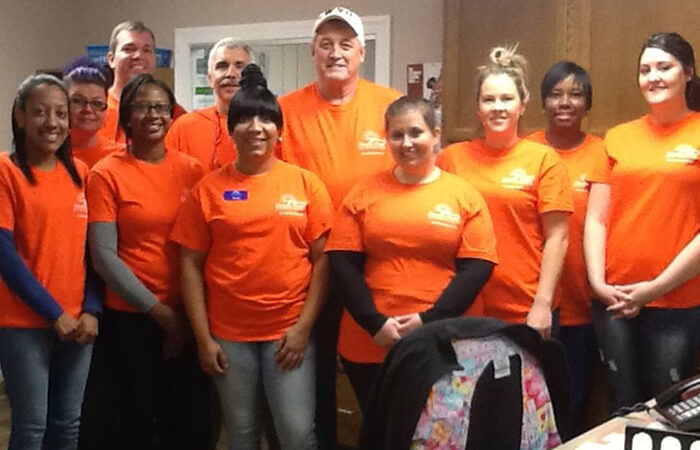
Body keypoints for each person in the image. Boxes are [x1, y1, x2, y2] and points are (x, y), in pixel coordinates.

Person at [171, 64, 332, 450]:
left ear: (279, 130)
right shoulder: (208, 189)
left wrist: (304, 328)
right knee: (240, 432)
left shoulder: (305, 184)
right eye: (245, 119)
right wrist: (203, 339)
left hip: (288, 334)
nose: (256, 128)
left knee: (296, 434)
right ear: (231, 129)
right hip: (230, 337)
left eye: (266, 119)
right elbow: (189, 265)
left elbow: (323, 260)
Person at [325, 96, 498, 412]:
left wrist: (429, 321)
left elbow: (477, 267)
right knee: (382, 433)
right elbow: (342, 262)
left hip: (445, 340)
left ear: (435, 135)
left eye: (416, 132)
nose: (406, 143)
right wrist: (374, 323)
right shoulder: (362, 194)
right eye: (397, 135)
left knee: (441, 434)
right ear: (387, 138)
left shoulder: (463, 195)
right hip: (371, 341)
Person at [277, 8, 401, 446]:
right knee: (317, 369)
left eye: (345, 44)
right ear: (312, 52)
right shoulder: (286, 111)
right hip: (312, 265)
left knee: (381, 366)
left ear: (361, 53)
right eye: (325, 44)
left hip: (375, 264)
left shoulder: (389, 106)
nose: (335, 53)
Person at [86, 74, 210, 449]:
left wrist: (185, 319)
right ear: (126, 117)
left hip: (189, 314)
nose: (153, 115)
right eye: (142, 107)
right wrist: (161, 314)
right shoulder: (106, 173)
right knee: (136, 421)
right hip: (132, 319)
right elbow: (104, 257)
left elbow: (205, 248)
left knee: (188, 420)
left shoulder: (193, 170)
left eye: (160, 107)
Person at [584, 32, 700, 413]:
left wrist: (654, 288)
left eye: (664, 67)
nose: (653, 77)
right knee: (623, 404)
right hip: (613, 300)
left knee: (670, 408)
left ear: (688, 73)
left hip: (676, 301)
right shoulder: (618, 137)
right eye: (645, 69)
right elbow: (597, 219)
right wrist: (599, 284)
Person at [438, 46, 574, 338]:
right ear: (478, 107)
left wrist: (543, 304)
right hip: (464, 307)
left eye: (507, 99)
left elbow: (558, 238)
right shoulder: (451, 159)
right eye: (489, 100)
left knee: (526, 386)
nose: (498, 107)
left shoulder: (543, 159)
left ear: (522, 105)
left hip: (525, 307)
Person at [0, 73, 99, 450]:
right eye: (40, 112)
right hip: (23, 323)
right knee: (31, 426)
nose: (52, 123)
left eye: (60, 113)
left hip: (77, 324)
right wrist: (52, 313)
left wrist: (91, 309)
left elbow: (89, 254)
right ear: (21, 116)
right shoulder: (6, 171)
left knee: (67, 424)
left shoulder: (81, 176)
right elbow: (4, 254)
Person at [526, 61, 608, 432]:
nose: (565, 103)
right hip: (529, 301)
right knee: (526, 406)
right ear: (542, 102)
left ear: (588, 104)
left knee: (571, 406)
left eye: (575, 95)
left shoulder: (603, 155)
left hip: (582, 304)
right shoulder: (525, 149)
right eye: (556, 94)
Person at [166, 38, 251, 173]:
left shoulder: (266, 128)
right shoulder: (185, 127)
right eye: (222, 66)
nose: (231, 74)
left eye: (239, 66)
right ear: (210, 79)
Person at [98, 20, 186, 143]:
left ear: (154, 60)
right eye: (129, 49)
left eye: (146, 50)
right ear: (111, 59)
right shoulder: (95, 110)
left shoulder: (174, 114)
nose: (138, 56)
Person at [63, 57, 123, 168]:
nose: (88, 109)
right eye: (78, 101)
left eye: (97, 103)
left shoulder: (121, 156)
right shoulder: (47, 154)